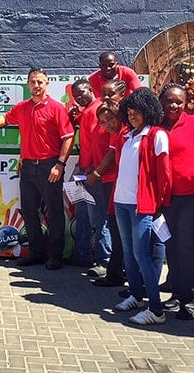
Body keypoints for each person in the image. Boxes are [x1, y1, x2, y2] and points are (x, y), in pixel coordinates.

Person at [0, 68, 74, 270]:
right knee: (29, 211)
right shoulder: (22, 107)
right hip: (27, 168)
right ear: (28, 85)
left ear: (47, 84)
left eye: (40, 82)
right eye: (33, 82)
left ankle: (56, 255)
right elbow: (6, 118)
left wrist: (59, 165)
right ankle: (36, 253)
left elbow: (68, 137)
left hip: (49, 166)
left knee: (54, 212)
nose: (36, 85)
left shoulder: (56, 108)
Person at [112, 87, 171, 325]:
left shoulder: (157, 135)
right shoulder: (126, 137)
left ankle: (156, 309)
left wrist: (159, 203)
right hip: (121, 202)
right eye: (130, 112)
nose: (133, 116)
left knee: (142, 254)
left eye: (137, 112)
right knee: (128, 252)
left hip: (142, 205)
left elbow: (164, 173)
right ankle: (136, 295)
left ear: (148, 110)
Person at [159, 83, 194, 320]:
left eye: (179, 101)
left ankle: (193, 302)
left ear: (186, 103)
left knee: (188, 248)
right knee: (171, 246)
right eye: (169, 101)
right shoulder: (157, 127)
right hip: (167, 198)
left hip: (191, 197)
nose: (173, 106)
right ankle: (178, 295)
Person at [70, 79, 110, 273]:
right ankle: (83, 254)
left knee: (99, 217)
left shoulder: (98, 109)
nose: (79, 97)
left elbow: (99, 142)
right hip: (83, 171)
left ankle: (104, 260)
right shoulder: (87, 111)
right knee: (83, 213)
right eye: (76, 96)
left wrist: (95, 169)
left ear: (91, 90)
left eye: (82, 92)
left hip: (93, 173)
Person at [88, 101, 128, 288]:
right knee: (116, 229)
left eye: (111, 119)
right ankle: (118, 272)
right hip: (114, 184)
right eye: (103, 122)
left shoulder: (125, 131)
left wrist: (95, 175)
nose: (108, 124)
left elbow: (111, 157)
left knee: (118, 230)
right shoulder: (116, 134)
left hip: (119, 185)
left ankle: (116, 274)